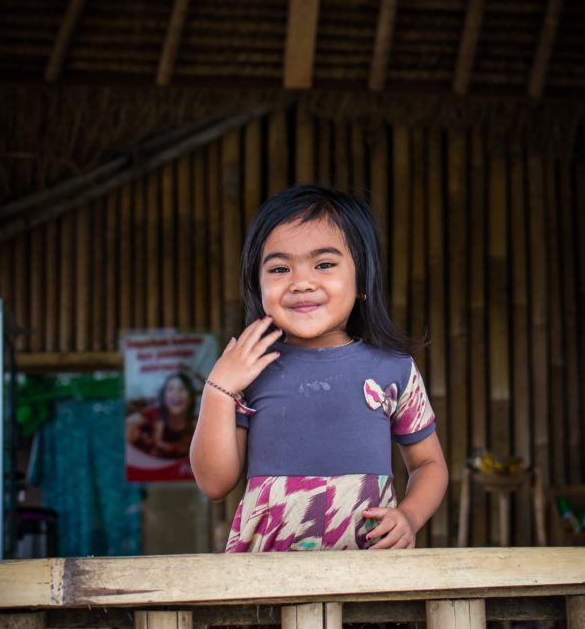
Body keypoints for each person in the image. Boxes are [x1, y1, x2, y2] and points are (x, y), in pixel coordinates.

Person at [190, 184, 448, 551]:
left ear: (363, 281)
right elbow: (214, 484)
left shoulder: (396, 370)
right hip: (268, 582)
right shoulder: (248, 371)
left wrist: (409, 515)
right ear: (256, 285)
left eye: (324, 264)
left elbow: (428, 465)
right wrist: (218, 389)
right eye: (280, 268)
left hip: (368, 575)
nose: (302, 283)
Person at [126, 372, 197, 459]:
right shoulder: (154, 413)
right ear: (163, 396)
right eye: (170, 389)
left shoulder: (197, 425)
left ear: (191, 397)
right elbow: (128, 423)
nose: (176, 394)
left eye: (182, 389)